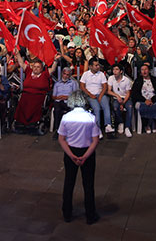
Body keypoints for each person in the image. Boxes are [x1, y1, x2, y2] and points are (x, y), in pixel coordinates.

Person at [57, 91, 100, 225]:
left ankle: (67, 213)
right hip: (87, 151)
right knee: (88, 185)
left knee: (69, 183)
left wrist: (71, 155)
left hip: (71, 151)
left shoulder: (66, 117)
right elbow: (95, 140)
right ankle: (90, 215)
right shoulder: (91, 118)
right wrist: (85, 156)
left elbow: (61, 139)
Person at [12, 50, 58, 134]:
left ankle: (33, 122)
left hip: (39, 96)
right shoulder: (29, 71)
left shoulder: (45, 74)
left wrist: (55, 61)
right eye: (35, 67)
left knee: (35, 103)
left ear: (41, 68)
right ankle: (20, 122)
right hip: (26, 95)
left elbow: (53, 69)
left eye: (38, 67)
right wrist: (18, 54)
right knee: (22, 102)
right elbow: (21, 63)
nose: (36, 68)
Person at [80, 58, 111, 136]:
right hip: (90, 95)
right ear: (90, 66)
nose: (98, 67)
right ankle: (97, 128)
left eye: (98, 65)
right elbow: (82, 86)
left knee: (106, 106)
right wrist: (90, 94)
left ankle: (108, 125)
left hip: (100, 94)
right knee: (96, 108)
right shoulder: (85, 74)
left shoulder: (101, 74)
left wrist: (100, 96)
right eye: (96, 65)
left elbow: (105, 87)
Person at [131, 63, 156, 133]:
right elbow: (135, 94)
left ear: (149, 70)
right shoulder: (138, 81)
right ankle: (146, 125)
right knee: (143, 106)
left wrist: (152, 100)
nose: (144, 71)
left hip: (153, 100)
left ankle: (155, 123)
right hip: (142, 100)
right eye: (142, 70)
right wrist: (145, 100)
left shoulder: (155, 80)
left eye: (146, 69)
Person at [107, 63, 134, 138]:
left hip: (125, 98)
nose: (114, 71)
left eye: (116, 70)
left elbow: (128, 93)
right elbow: (108, 91)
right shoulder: (111, 78)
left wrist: (123, 103)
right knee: (115, 107)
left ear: (121, 71)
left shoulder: (126, 80)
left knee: (130, 107)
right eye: (113, 70)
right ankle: (120, 122)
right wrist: (117, 96)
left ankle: (127, 127)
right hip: (116, 98)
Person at [51, 67, 78, 138]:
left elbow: (75, 95)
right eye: (64, 74)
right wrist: (58, 97)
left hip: (68, 101)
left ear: (69, 76)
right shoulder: (57, 84)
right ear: (62, 74)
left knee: (71, 111)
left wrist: (67, 97)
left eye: (67, 75)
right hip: (58, 101)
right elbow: (53, 96)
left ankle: (69, 130)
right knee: (57, 111)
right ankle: (58, 130)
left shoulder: (73, 83)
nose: (65, 76)